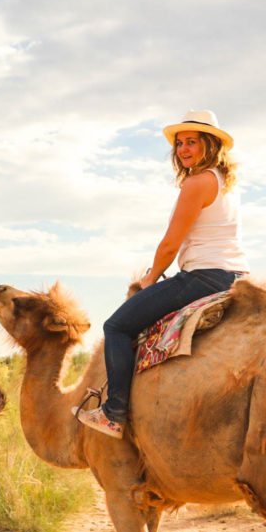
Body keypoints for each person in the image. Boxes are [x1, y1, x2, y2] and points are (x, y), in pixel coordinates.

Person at [76, 110, 248, 439]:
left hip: (203, 277)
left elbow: (171, 243)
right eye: (180, 143)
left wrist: (149, 279)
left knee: (116, 326)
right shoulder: (224, 183)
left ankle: (114, 413)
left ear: (210, 145)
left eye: (192, 143)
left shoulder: (197, 183)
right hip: (235, 275)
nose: (183, 149)